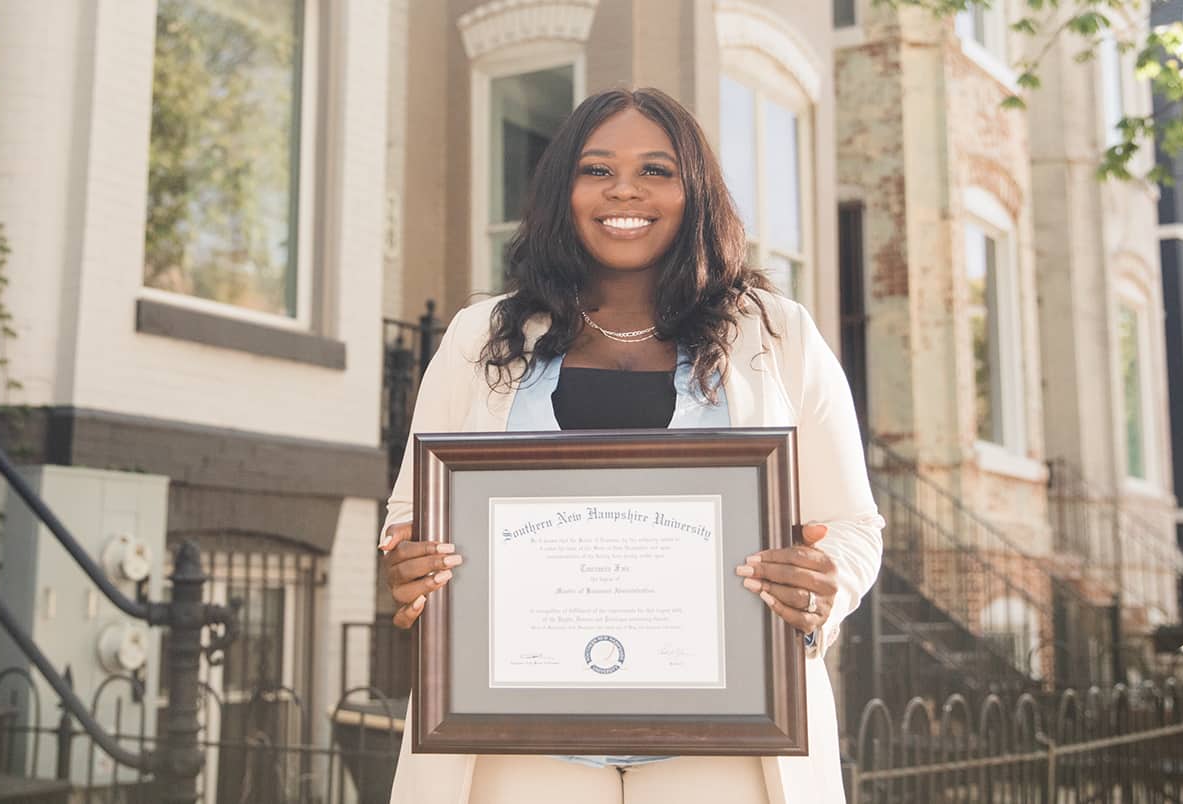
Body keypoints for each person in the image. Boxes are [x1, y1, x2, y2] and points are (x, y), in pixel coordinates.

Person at [378, 87, 885, 804]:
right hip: (514, 746)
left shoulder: (776, 333)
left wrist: (820, 585)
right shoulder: (478, 337)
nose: (624, 190)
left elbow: (854, 525)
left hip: (730, 743)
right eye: (596, 169)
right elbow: (409, 514)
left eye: (655, 170)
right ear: (564, 190)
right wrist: (407, 564)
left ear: (695, 191)